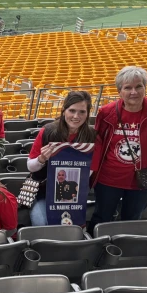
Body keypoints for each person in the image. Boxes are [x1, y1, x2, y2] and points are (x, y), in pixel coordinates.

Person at [90, 66, 147, 230]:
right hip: (110, 178)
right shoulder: (106, 112)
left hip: (145, 176)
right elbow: (99, 141)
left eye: (138, 86)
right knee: (102, 216)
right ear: (119, 91)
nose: (133, 92)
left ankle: (124, 247)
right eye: (127, 87)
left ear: (145, 88)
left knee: (132, 218)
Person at [27, 90, 95, 225]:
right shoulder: (48, 131)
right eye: (72, 110)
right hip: (43, 190)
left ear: (88, 113)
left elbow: (90, 170)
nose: (76, 116)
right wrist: (41, 159)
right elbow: (30, 166)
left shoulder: (92, 136)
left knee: (74, 225)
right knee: (42, 223)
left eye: (82, 112)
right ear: (64, 111)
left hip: (73, 193)